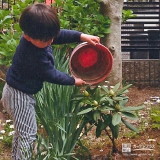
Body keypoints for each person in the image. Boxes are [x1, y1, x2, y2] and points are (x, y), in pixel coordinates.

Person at [1, 3, 100, 160]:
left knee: (22, 133)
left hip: (17, 92)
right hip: (19, 97)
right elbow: (51, 74)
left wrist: (80, 36)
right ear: (27, 36)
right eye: (47, 40)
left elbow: (58, 35)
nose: (51, 41)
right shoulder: (33, 56)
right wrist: (73, 80)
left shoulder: (39, 35)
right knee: (28, 134)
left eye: (52, 37)